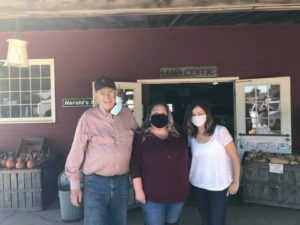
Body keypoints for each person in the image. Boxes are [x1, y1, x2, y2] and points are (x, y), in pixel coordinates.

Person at [65, 76, 138, 225]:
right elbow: (76, 151)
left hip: (122, 182)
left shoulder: (127, 115)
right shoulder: (87, 118)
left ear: (116, 94)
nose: (107, 97)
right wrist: (75, 186)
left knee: (119, 222)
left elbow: (138, 143)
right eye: (102, 93)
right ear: (97, 96)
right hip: (95, 183)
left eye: (110, 92)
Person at [130, 103, 189, 225]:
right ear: (149, 117)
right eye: (155, 113)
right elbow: (135, 165)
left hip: (178, 192)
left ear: (169, 116)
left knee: (173, 222)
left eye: (163, 113)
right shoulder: (142, 137)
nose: (159, 115)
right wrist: (138, 190)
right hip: (151, 194)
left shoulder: (179, 135)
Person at [183, 100, 240, 225]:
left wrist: (236, 182)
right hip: (198, 184)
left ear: (207, 114)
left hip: (219, 185)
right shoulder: (191, 135)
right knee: (205, 219)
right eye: (194, 114)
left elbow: (235, 157)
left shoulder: (220, 131)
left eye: (200, 113)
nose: (197, 116)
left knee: (217, 220)